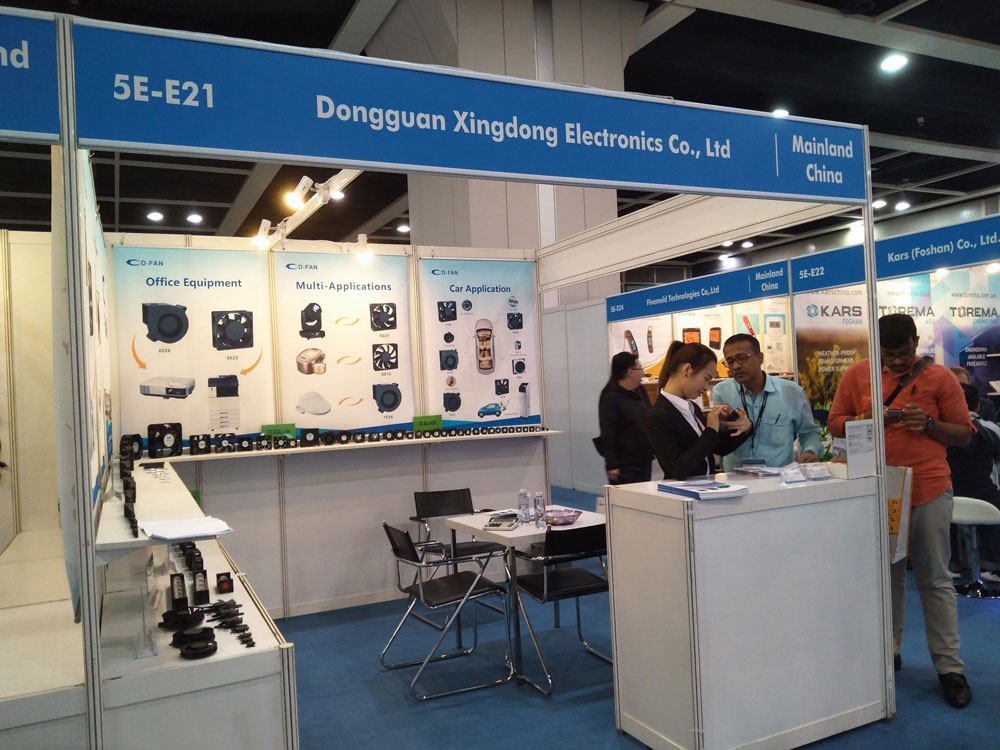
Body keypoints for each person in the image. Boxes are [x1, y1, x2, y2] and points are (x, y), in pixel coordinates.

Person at [828, 313, 973, 709]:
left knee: (935, 579)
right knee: (887, 577)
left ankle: (949, 667)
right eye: (887, 354)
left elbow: (963, 433)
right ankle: (889, 652)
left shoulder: (940, 377)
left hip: (928, 488)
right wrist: (866, 419)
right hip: (879, 490)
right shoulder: (858, 375)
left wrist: (929, 424)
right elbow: (835, 423)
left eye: (903, 353)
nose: (895, 361)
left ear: (916, 341)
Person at [712, 334, 822, 469]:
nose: (735, 366)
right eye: (730, 361)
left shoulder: (792, 392)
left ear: (760, 358)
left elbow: (809, 431)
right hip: (736, 477)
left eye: (742, 358)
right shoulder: (722, 392)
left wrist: (810, 451)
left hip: (779, 476)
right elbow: (718, 440)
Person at [645, 340, 751, 480]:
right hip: (683, 491)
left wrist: (743, 429)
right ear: (687, 370)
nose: (706, 387)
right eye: (706, 378)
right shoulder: (657, 417)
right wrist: (711, 430)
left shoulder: (692, 407)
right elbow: (679, 469)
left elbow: (717, 448)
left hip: (706, 487)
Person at [947, 382, 1000, 565]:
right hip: (986, 498)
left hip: (947, 499)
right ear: (978, 406)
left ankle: (951, 562)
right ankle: (991, 563)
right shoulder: (991, 430)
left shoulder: (938, 430)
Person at [597, 352, 654, 484]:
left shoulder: (640, 391)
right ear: (630, 372)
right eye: (640, 368)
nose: (643, 373)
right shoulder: (610, 397)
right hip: (624, 462)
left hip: (643, 457)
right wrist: (611, 464)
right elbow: (607, 432)